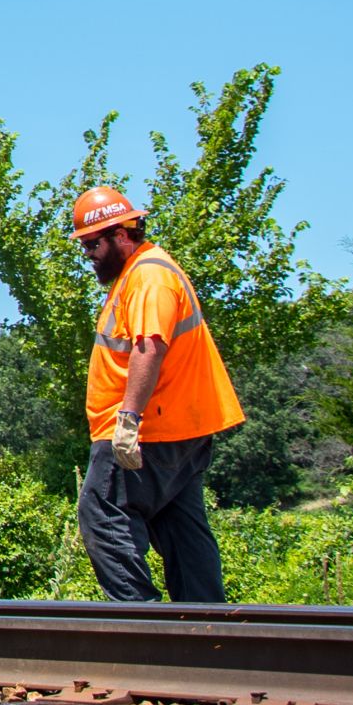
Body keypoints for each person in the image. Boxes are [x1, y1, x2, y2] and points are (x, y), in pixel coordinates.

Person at [69, 186, 247, 603]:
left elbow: (150, 346)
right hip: (179, 430)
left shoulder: (148, 276)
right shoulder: (143, 274)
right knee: (178, 524)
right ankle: (206, 628)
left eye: (93, 244)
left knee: (102, 514)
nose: (89, 255)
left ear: (122, 234)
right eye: (84, 247)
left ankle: (141, 623)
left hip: (147, 431)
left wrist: (127, 422)